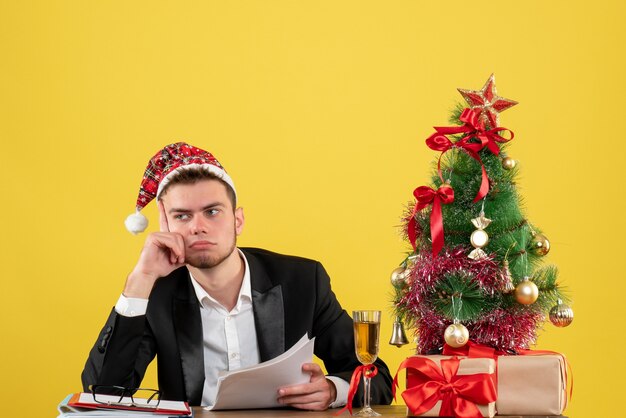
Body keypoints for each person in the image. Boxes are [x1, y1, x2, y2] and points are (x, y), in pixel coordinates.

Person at [81, 142, 393, 410]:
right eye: (182, 216)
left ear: (238, 220)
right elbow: (103, 394)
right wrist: (141, 279)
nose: (197, 226)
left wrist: (333, 391)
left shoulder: (302, 281)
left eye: (212, 211)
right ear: (167, 226)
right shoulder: (156, 294)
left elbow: (376, 377)